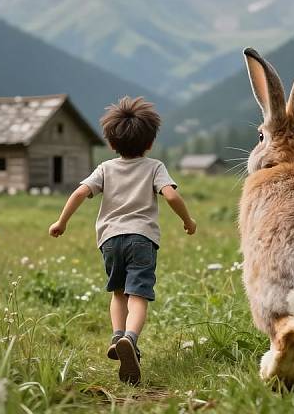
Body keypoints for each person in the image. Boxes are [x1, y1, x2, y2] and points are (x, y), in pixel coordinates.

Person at [48, 96, 196, 384]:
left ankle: (117, 336)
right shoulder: (154, 166)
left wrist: (61, 221)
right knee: (138, 295)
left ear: (111, 143)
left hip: (110, 240)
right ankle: (131, 338)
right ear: (150, 142)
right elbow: (172, 195)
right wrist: (187, 221)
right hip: (142, 239)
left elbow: (79, 193)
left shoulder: (105, 168)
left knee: (118, 293)